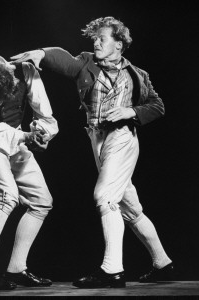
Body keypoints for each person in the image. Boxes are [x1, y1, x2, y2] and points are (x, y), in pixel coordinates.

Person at [11, 16, 173, 288]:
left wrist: (131, 111)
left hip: (122, 138)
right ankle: (162, 263)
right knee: (129, 208)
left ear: (119, 44)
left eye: (102, 39)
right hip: (97, 139)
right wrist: (42, 53)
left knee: (104, 196)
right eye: (94, 39)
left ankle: (112, 270)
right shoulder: (87, 63)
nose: (96, 43)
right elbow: (64, 60)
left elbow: (158, 106)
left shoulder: (138, 75)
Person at [0, 56, 58, 290]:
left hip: (17, 138)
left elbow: (44, 113)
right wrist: (25, 136)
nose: (2, 101)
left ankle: (16, 269)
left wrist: (42, 133)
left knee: (42, 202)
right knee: (6, 198)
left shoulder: (26, 71)